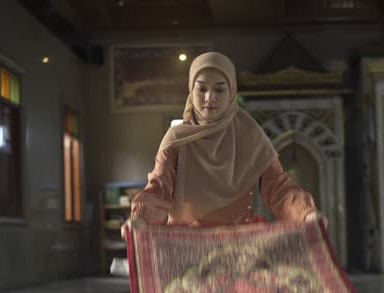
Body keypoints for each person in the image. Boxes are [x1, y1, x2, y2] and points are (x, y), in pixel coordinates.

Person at [123, 51, 324, 233]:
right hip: (185, 243)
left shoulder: (250, 135)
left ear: (231, 93)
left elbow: (278, 187)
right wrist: (141, 219)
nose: (210, 98)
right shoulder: (177, 139)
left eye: (219, 90)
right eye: (201, 89)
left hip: (238, 244)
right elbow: (158, 188)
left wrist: (306, 214)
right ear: (191, 92)